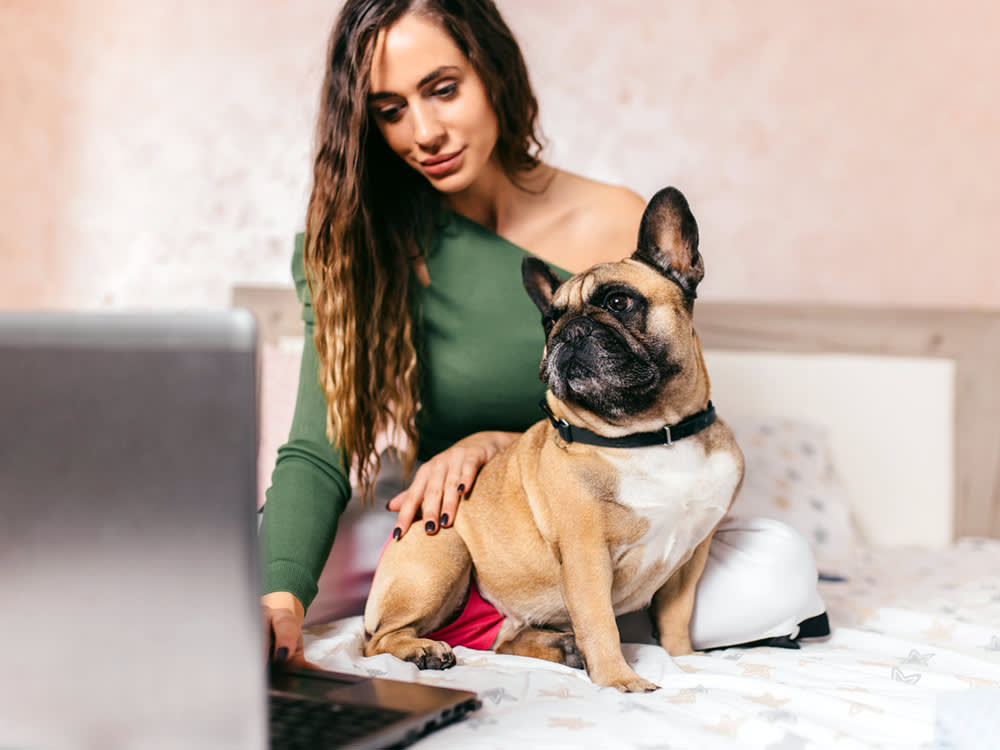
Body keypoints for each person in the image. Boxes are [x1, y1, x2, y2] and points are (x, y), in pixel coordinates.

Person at [260, 0, 829, 666]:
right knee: (275, 567)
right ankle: (504, 617)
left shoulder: (616, 218)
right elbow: (317, 447)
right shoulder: (358, 249)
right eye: (390, 110)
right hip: (458, 524)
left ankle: (554, 622)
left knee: (779, 567)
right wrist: (279, 602)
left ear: (494, 72)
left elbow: (667, 392)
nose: (425, 132)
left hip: (606, 501)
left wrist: (497, 443)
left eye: (444, 89)